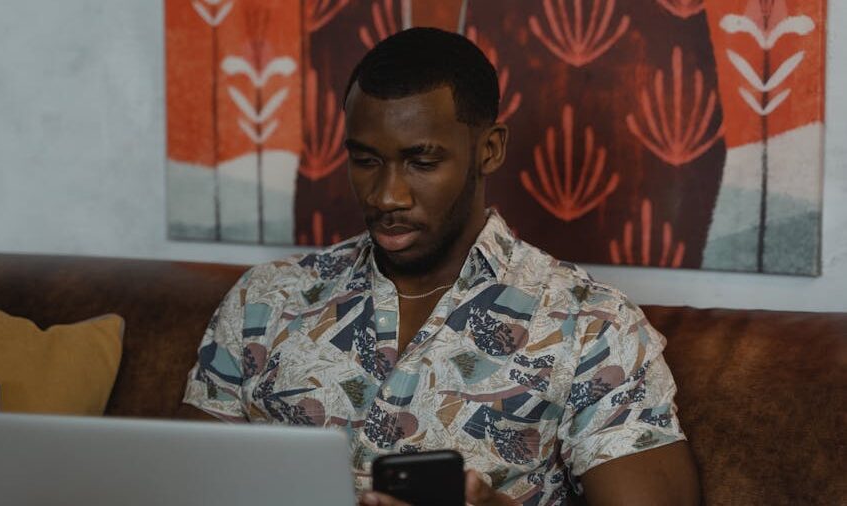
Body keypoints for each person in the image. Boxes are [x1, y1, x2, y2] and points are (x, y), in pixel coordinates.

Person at [181, 27, 700, 506]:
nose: (387, 195)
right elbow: (178, 483)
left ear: (489, 150)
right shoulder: (265, 300)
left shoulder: (591, 327)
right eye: (365, 160)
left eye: (421, 162)